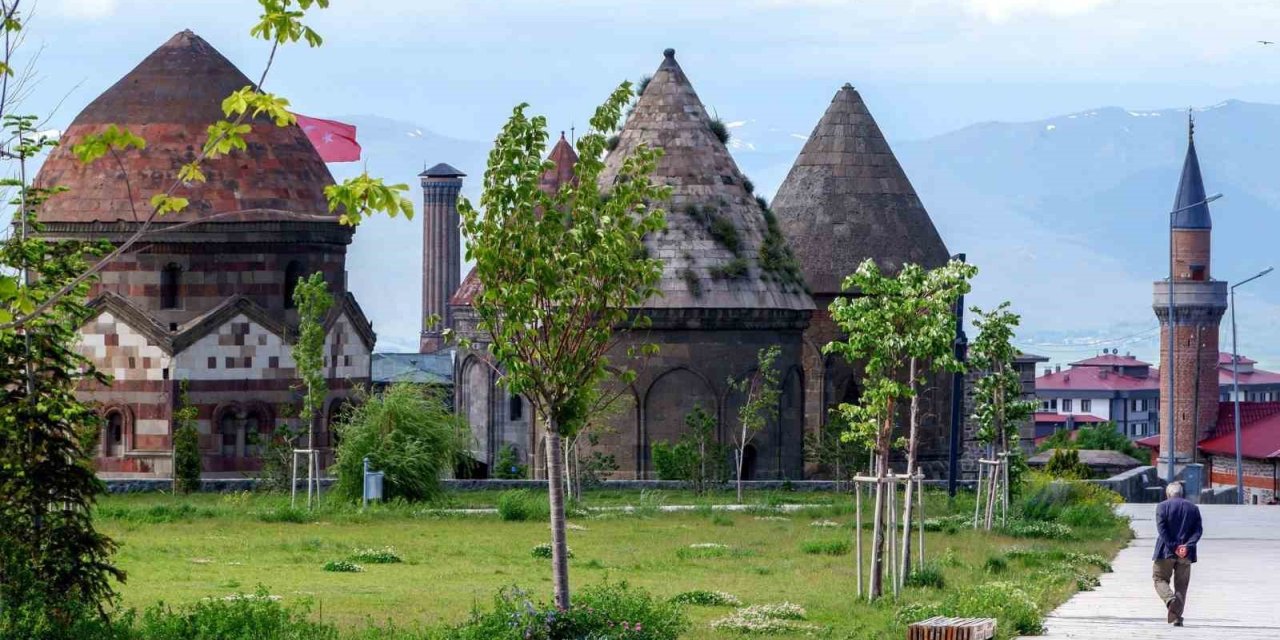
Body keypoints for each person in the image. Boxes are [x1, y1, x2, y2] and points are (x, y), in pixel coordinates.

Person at [1153, 482, 1202, 627]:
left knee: (1159, 578)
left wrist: (1174, 546)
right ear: (1182, 494)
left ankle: (1169, 600)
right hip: (1186, 553)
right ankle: (1176, 617)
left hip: (1165, 551)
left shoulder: (1162, 506)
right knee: (1181, 585)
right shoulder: (1193, 508)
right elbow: (1198, 531)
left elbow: (1162, 531)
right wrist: (1186, 546)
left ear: (1168, 494)